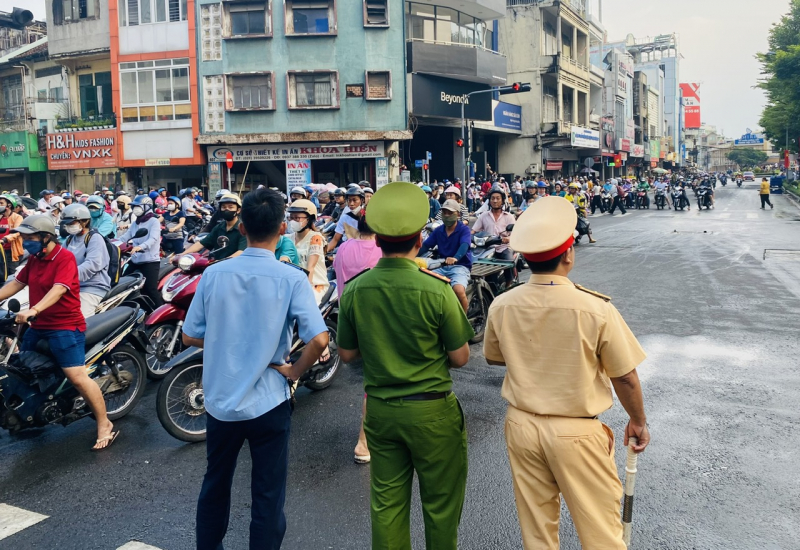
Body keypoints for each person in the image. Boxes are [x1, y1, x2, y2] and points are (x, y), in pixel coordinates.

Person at [484, 196, 650, 550]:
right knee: (602, 534)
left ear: (526, 259)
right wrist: (638, 420)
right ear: (568, 254)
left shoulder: (502, 304)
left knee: (537, 533)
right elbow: (624, 376)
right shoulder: (595, 308)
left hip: (522, 425)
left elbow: (496, 358)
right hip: (576, 431)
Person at [184, 187, 329, 550]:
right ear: (282, 228)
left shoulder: (214, 274)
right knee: (267, 493)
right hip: (269, 400)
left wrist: (227, 341)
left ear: (242, 227)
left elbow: (189, 335)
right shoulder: (291, 277)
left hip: (221, 402)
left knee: (215, 484)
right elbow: (319, 340)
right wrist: (294, 372)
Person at [336, 182, 473, 550]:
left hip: (381, 412)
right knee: (441, 507)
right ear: (419, 239)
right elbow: (460, 358)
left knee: (387, 506)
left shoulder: (356, 288)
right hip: (432, 412)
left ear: (378, 241)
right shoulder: (437, 288)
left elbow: (346, 354)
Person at [0, 215, 118, 450]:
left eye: (30, 238)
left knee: (77, 377)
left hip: (65, 327)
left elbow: (59, 289)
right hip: (38, 326)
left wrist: (34, 309)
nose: (26, 242)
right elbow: (17, 283)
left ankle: (104, 423)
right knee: (24, 370)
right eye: (23, 237)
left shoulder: (65, 258)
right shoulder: (35, 258)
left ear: (46, 237)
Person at [419, 199, 472, 312]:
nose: (447, 216)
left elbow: (464, 245)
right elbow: (426, 246)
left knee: (458, 290)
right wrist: (410, 256)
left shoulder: (464, 230)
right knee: (424, 285)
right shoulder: (438, 230)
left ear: (458, 214)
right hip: (441, 266)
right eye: (444, 213)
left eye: (450, 213)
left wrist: (455, 258)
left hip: (460, 266)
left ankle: (463, 319)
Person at [62, 203, 111, 318]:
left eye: (71, 223)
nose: (68, 226)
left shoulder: (94, 238)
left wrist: (67, 274)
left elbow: (92, 264)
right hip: (70, 285)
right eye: (66, 224)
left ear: (84, 222)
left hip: (91, 287)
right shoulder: (70, 239)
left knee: (79, 319)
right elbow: (59, 258)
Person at [116, 196, 163, 308]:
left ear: (147, 207)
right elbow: (125, 237)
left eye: (138, 206)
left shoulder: (154, 221)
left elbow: (153, 239)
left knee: (150, 289)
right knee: (123, 284)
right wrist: (112, 243)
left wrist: (140, 247)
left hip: (150, 261)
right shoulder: (135, 223)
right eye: (134, 206)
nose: (135, 209)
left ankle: (160, 311)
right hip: (135, 259)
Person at [180, 193, 247, 261]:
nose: (226, 209)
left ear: (238, 210)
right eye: (224, 207)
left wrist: (221, 262)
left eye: (230, 207)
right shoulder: (219, 227)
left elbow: (241, 252)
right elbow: (201, 243)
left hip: (235, 265)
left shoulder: (243, 229)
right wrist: (182, 254)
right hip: (217, 264)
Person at [287, 199, 329, 303]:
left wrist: (305, 291)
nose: (293, 221)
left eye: (297, 218)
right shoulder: (287, 238)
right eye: (291, 217)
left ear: (309, 219)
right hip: (293, 285)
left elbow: (310, 268)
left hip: (314, 285)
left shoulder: (315, 238)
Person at [472, 188, 517, 286]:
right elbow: (474, 230)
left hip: (503, 247)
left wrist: (507, 239)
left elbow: (515, 234)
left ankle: (509, 284)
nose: (495, 201)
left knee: (509, 262)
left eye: (498, 198)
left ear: (502, 200)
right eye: (492, 198)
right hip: (487, 248)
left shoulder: (509, 216)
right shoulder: (483, 216)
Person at [326, 187, 364, 253]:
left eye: (355, 200)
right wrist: (323, 253)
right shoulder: (345, 218)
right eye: (349, 200)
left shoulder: (367, 217)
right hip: (348, 249)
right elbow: (335, 239)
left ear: (362, 200)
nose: (351, 204)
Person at [0, 194, 23, 279]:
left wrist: (5, 239)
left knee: (12, 275)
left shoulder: (18, 217)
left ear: (9, 205)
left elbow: (17, 232)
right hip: (1, 250)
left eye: (1, 203)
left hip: (12, 251)